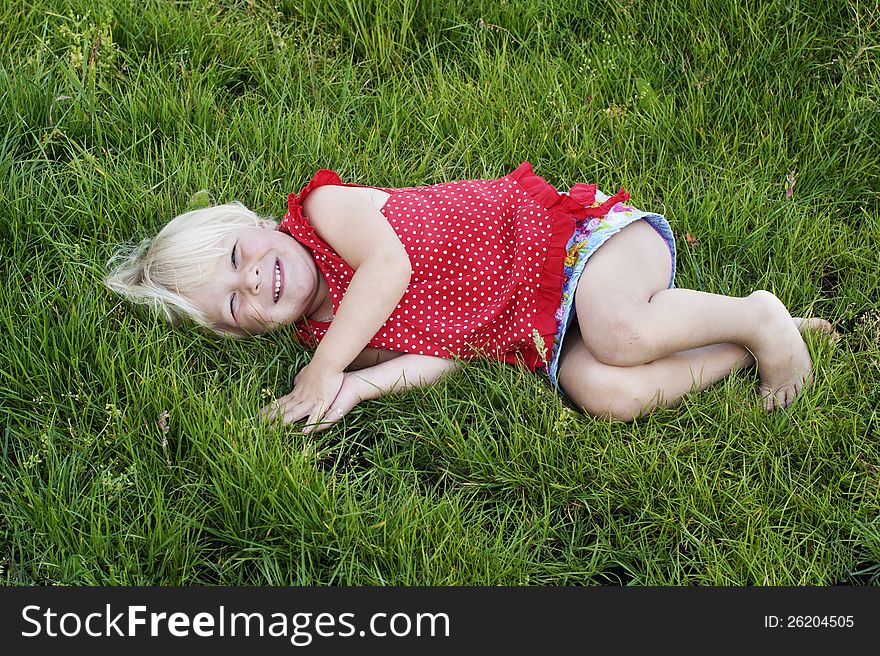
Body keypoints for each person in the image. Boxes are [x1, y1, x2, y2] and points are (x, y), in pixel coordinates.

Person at [105, 162, 833, 433]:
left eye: (239, 255)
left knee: (617, 332)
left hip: (571, 245)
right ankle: (732, 349)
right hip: (539, 324)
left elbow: (388, 267)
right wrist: (354, 387)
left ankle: (758, 315)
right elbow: (444, 356)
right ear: (247, 333)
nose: (255, 278)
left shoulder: (327, 213)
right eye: (236, 302)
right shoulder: (328, 333)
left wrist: (325, 367)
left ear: (259, 224)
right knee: (602, 390)